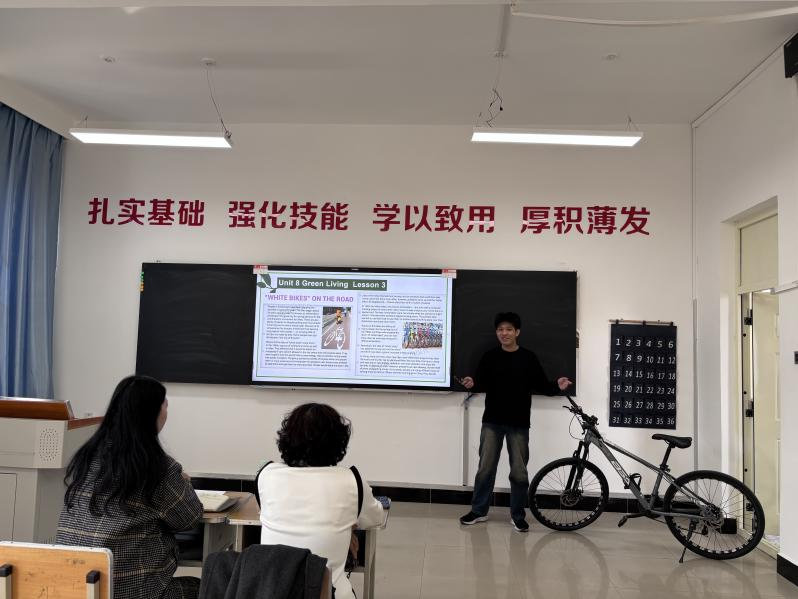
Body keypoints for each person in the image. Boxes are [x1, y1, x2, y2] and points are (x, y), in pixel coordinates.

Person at [56, 375, 203, 599]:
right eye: (165, 405)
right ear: (153, 413)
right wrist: (184, 482)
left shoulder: (86, 457)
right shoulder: (158, 468)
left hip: (77, 590)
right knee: (207, 586)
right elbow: (189, 518)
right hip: (135, 592)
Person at [256, 403, 384, 599]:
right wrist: (348, 530)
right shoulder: (351, 480)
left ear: (287, 438)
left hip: (271, 592)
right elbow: (376, 518)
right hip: (328, 593)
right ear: (338, 441)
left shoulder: (266, 474)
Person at [458, 312, 572, 532]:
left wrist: (557, 386)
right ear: (497, 332)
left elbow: (542, 385)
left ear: (517, 332)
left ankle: (518, 515)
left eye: (509, 329)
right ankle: (479, 511)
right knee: (485, 469)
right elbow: (480, 383)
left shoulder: (528, 358)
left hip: (519, 423)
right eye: (500, 329)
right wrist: (472, 383)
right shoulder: (490, 356)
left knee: (519, 472)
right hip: (492, 421)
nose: (504, 333)